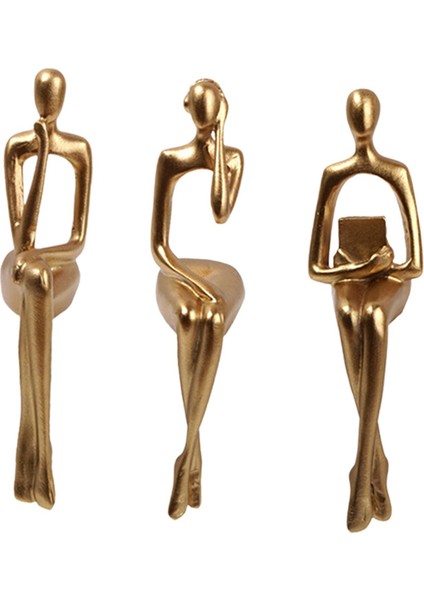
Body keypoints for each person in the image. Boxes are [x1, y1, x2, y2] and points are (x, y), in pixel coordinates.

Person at [309, 89, 422, 531]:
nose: (362, 122)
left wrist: (380, 267)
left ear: (375, 119)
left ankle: (361, 477)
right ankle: (377, 458)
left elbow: (415, 265)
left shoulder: (395, 172)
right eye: (357, 115)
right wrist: (362, 267)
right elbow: (316, 268)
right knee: (346, 313)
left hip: (389, 278)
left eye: (366, 114)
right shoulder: (334, 175)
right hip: (353, 272)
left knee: (372, 315)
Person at [151, 79, 244, 519]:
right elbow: (159, 249)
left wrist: (220, 138)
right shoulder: (171, 160)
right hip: (175, 269)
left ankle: (186, 456)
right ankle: (191, 456)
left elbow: (220, 212)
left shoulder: (232, 158)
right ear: (189, 110)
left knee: (214, 317)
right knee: (194, 315)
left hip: (222, 272)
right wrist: (197, 284)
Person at [2, 69, 92, 508]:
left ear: (61, 99)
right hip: (19, 266)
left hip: (58, 265)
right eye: (42, 94)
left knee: (38, 277)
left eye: (52, 95)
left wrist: (39, 258)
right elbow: (22, 240)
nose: (47, 103)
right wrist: (39, 155)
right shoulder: (17, 148)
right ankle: (43, 452)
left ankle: (32, 444)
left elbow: (77, 241)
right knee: (34, 277)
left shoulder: (78, 150)